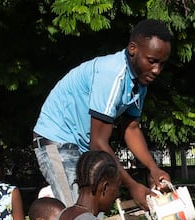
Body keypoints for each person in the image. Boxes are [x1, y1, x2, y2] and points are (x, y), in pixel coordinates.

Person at [32, 19, 173, 208]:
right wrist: (132, 186)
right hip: (57, 141)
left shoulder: (140, 82)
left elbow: (131, 128)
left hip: (83, 147)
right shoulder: (112, 75)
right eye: (152, 61)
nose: (156, 70)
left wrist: (153, 169)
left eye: (162, 64)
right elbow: (98, 143)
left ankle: (58, 197)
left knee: (93, 210)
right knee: (78, 212)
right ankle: (57, 196)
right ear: (133, 49)